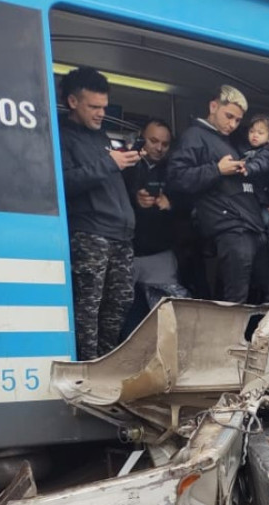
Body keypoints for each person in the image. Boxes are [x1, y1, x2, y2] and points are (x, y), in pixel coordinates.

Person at [58, 67, 140, 360]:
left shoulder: (101, 136)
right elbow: (64, 183)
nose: (100, 113)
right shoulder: (61, 136)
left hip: (121, 234)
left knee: (119, 304)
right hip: (90, 233)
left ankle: (106, 367)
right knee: (88, 309)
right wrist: (110, 163)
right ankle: (87, 371)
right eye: (94, 106)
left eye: (104, 107)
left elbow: (108, 181)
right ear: (72, 101)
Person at [167, 85, 267, 304]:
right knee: (233, 304)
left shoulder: (227, 141)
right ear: (213, 106)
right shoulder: (194, 136)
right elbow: (176, 178)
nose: (232, 124)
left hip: (248, 228)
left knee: (250, 299)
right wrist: (217, 170)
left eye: (238, 120)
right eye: (228, 116)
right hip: (228, 231)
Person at [121, 119, 188, 335]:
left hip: (160, 254)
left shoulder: (176, 170)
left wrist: (172, 204)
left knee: (168, 320)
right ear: (141, 137)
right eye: (153, 141)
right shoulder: (124, 162)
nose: (159, 148)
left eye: (165, 144)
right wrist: (134, 197)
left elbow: (194, 206)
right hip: (124, 251)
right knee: (123, 316)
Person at [240, 114, 269, 229]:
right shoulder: (248, 152)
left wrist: (248, 168)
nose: (255, 135)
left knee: (262, 227)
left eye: (260, 133)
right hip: (250, 198)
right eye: (252, 131)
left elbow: (261, 164)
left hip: (261, 200)